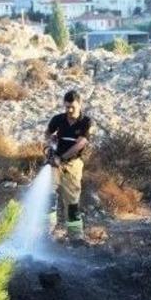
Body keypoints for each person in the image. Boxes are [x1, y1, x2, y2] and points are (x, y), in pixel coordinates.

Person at [45, 90, 94, 241]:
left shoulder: (86, 122)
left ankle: (75, 235)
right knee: (49, 195)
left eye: (72, 107)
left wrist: (62, 157)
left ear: (80, 104)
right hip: (56, 162)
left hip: (73, 164)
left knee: (72, 200)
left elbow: (81, 143)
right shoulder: (58, 119)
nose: (69, 110)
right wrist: (52, 144)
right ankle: (46, 230)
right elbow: (48, 133)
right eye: (66, 107)